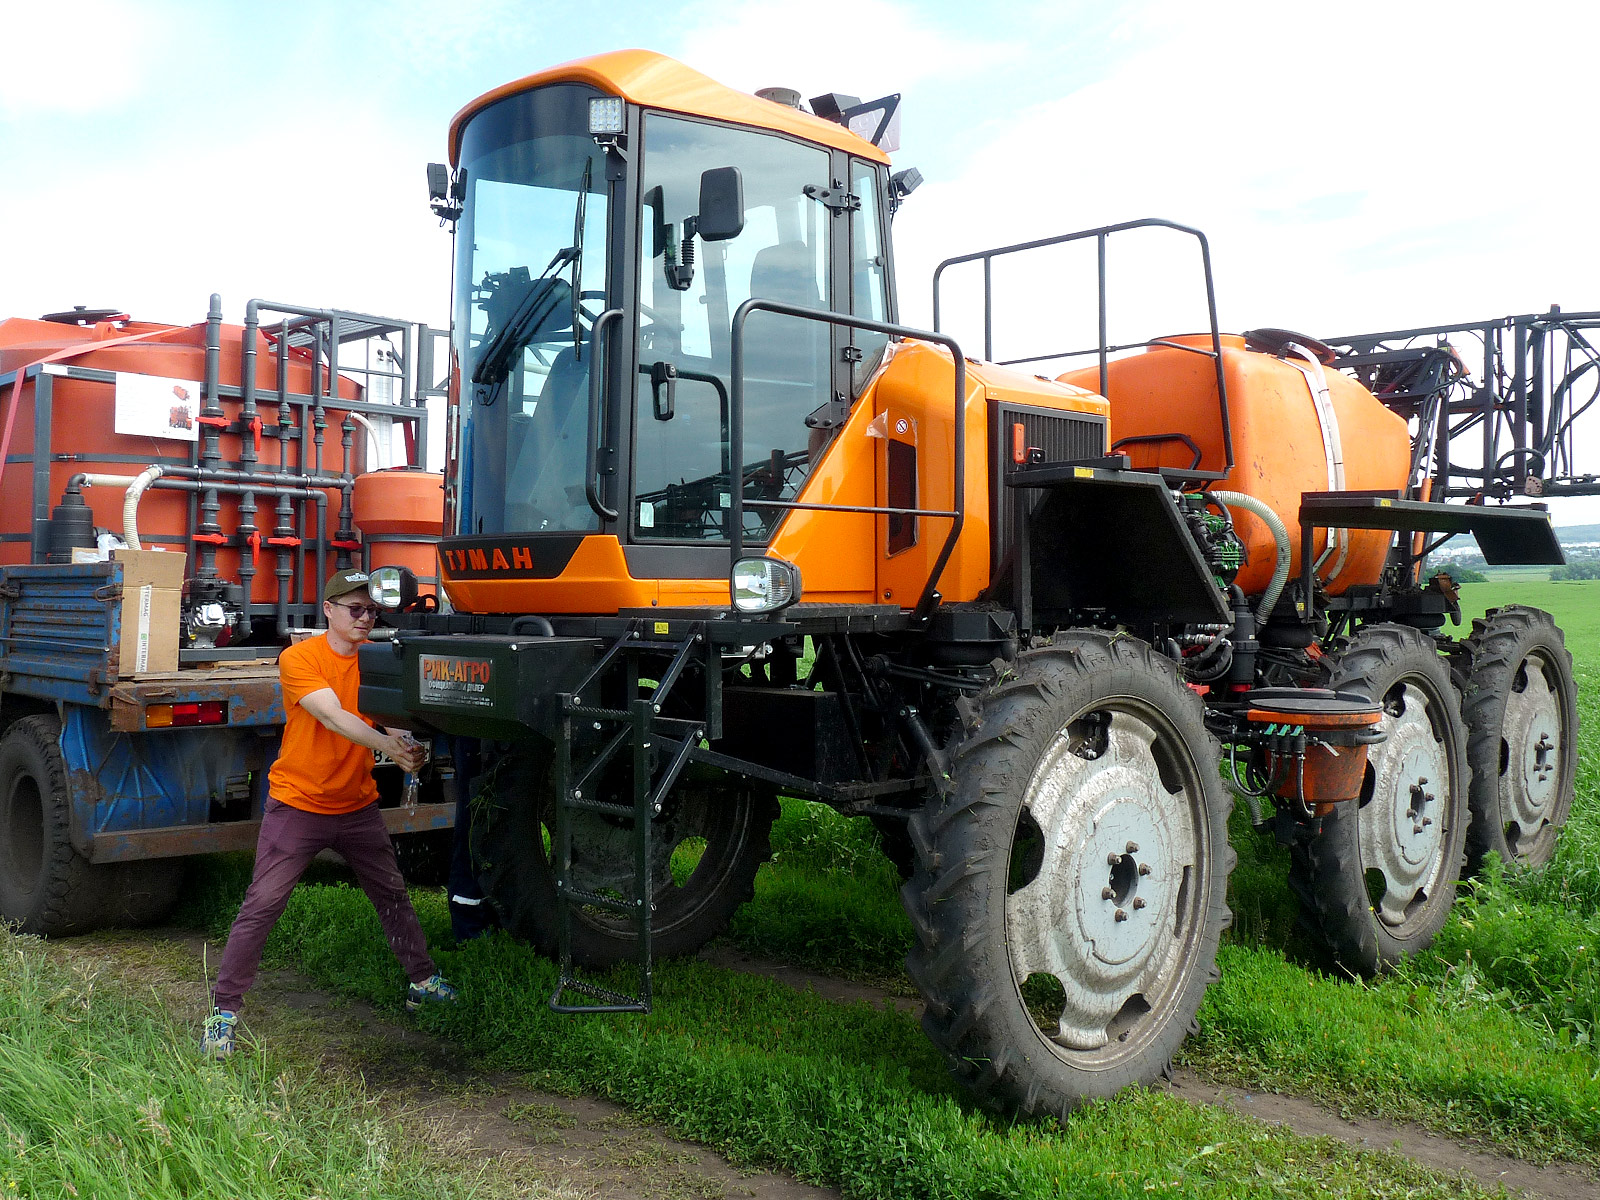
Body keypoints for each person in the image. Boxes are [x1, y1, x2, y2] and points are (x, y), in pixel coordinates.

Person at [202, 569, 458, 1058]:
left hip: (356, 804)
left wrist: (404, 740)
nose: (366, 619)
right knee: (262, 905)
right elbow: (334, 715)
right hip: (298, 804)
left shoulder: (375, 661)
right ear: (329, 610)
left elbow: (383, 714)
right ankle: (223, 1013)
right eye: (355, 609)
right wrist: (386, 743)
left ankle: (423, 983)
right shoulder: (300, 658)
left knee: (392, 894)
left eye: (372, 611)